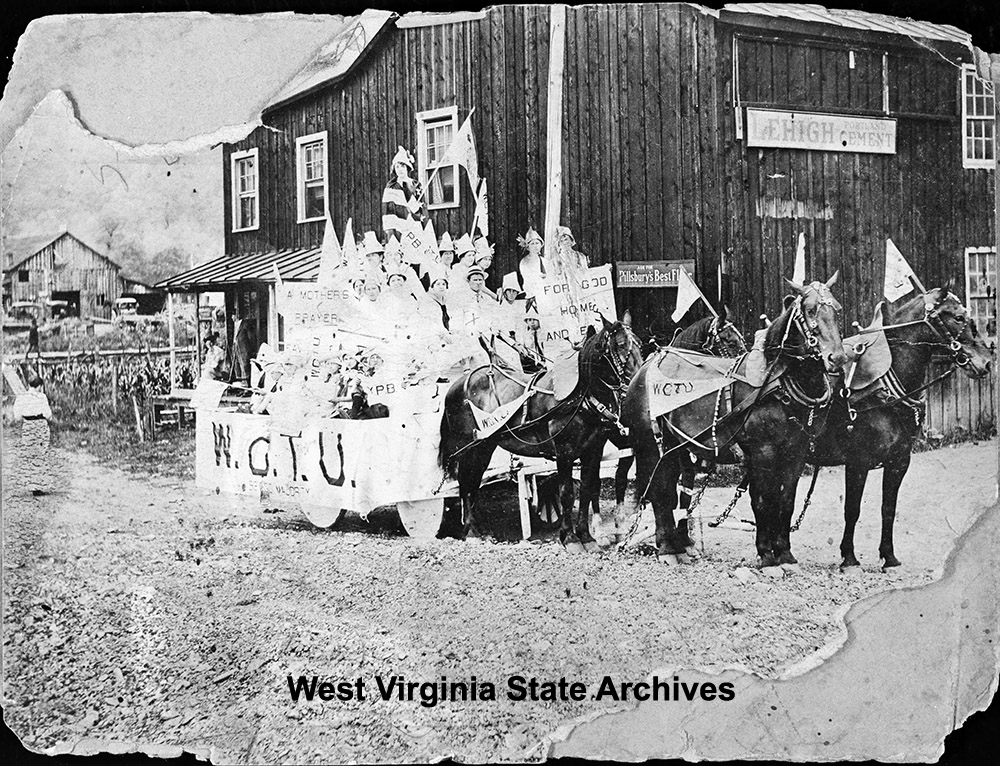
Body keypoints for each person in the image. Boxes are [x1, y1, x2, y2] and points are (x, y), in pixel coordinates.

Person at [381, 146, 427, 239]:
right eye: (397, 167)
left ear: (407, 168)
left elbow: (422, 206)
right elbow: (388, 209)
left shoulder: (415, 184)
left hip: (414, 223)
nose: (400, 169)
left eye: (402, 166)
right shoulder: (391, 187)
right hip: (398, 225)